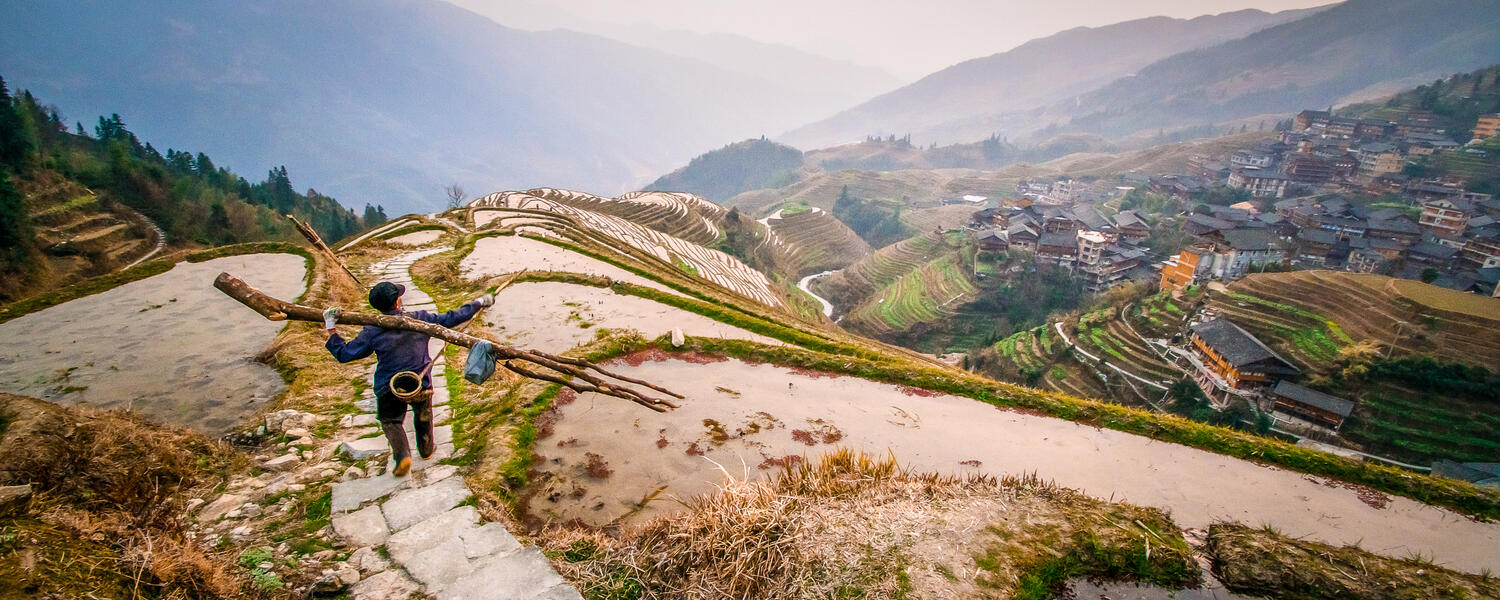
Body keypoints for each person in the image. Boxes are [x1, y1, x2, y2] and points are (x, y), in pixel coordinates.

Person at [322, 281, 493, 476]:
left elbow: (345, 354)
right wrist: (479, 303)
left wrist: (331, 328)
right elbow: (451, 318)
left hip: (390, 386)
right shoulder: (420, 319)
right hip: (420, 383)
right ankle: (427, 451)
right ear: (397, 302)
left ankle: (403, 456)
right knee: (423, 417)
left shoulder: (372, 330)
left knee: (390, 421)